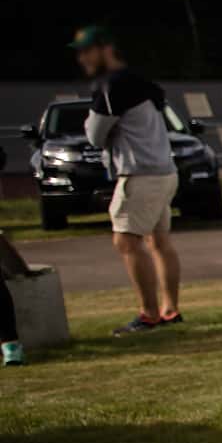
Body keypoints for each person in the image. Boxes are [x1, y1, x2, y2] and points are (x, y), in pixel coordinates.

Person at [70, 25, 184, 335]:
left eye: (87, 51)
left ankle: (149, 314)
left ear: (106, 48)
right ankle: (170, 309)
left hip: (140, 174)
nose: (83, 59)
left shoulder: (111, 86)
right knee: (159, 241)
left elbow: (94, 136)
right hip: (164, 170)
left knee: (126, 241)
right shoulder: (141, 81)